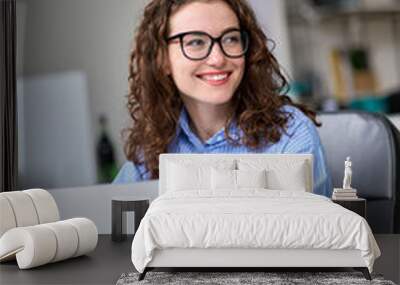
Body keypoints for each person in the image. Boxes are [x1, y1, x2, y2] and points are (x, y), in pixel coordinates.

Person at [113, 0, 333, 197]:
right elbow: (109, 218)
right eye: (196, 42)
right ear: (162, 59)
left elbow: (307, 235)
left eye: (230, 39)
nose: (218, 58)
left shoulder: (291, 134)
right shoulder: (153, 147)